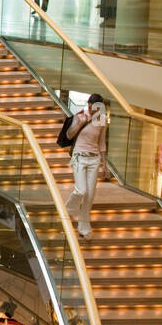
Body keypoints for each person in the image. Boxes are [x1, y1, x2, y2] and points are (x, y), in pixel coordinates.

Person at [65, 94, 109, 238]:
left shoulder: (102, 120)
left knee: (90, 196)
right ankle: (69, 208)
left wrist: (105, 164)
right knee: (81, 190)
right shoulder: (79, 115)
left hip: (94, 160)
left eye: (95, 108)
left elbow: (102, 143)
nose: (92, 110)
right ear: (88, 104)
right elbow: (69, 135)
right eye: (90, 106)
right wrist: (79, 123)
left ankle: (84, 228)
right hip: (79, 157)